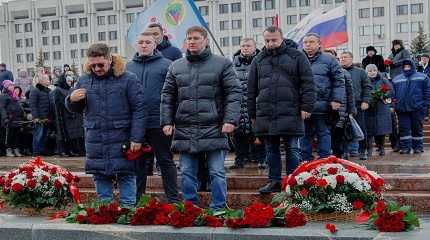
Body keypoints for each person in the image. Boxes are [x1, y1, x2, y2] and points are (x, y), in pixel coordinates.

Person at [161, 26, 241, 210]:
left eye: (196, 38)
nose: (192, 41)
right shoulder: (176, 66)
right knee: (187, 172)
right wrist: (166, 121)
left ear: (205, 40)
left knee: (217, 172)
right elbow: (167, 96)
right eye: (189, 38)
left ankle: (219, 207)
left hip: (214, 126)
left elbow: (234, 93)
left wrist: (230, 120)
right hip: (185, 128)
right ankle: (191, 207)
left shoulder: (222, 63)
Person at [66, 43, 145, 208]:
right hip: (96, 138)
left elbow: (139, 110)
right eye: (92, 65)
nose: (96, 68)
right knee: (99, 174)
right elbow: (77, 108)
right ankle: (105, 211)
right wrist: (71, 100)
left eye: (100, 64)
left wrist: (136, 138)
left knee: (126, 174)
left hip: (122, 136)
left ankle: (128, 210)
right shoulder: (84, 80)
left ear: (110, 59)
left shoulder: (128, 78)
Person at [248, 27, 316, 193]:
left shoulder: (297, 56)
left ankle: (293, 181)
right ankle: (274, 181)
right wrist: (252, 114)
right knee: (271, 150)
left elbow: (308, 82)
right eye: (267, 40)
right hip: (266, 112)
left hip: (291, 110)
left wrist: (307, 106)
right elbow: (251, 89)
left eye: (274, 40)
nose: (270, 43)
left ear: (281, 39)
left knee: (293, 148)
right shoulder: (258, 59)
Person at [126, 32, 179, 203]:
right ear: (136, 45)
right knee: (138, 163)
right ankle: (137, 199)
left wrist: (170, 119)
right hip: (136, 125)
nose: (144, 45)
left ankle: (172, 199)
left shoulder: (168, 65)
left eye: (148, 42)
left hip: (159, 122)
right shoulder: (127, 67)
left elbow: (174, 94)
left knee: (165, 160)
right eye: (140, 42)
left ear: (155, 44)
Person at [300, 33, 345, 161]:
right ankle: (305, 161)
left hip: (322, 105)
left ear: (319, 44)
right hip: (303, 106)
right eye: (306, 42)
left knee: (323, 133)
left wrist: (336, 99)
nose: (308, 45)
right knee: (304, 134)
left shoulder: (329, 59)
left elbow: (339, 80)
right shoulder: (298, 59)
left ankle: (325, 160)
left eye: (311, 42)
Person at [230, 38, 261, 169]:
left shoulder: (261, 61)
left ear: (255, 47)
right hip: (239, 102)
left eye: (248, 45)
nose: (245, 48)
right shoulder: (233, 64)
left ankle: (260, 159)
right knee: (239, 133)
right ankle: (239, 160)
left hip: (256, 102)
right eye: (243, 45)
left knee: (258, 133)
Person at [392, 59, 430, 154]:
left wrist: (425, 106)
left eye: (408, 66)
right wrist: (395, 105)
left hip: (417, 108)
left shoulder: (423, 77)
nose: (407, 68)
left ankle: (418, 147)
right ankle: (405, 148)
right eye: (405, 66)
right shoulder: (396, 79)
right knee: (404, 129)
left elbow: (427, 93)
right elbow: (393, 94)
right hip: (402, 109)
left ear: (412, 66)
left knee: (417, 128)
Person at [323, 49, 356, 160]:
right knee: (326, 135)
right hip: (324, 108)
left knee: (338, 135)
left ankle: (340, 158)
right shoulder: (320, 71)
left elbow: (350, 93)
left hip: (340, 110)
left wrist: (351, 110)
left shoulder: (343, 72)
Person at [340, 52, 372, 160]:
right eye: (341, 57)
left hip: (358, 104)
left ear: (351, 59)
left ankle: (363, 151)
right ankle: (344, 151)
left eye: (345, 57)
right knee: (343, 129)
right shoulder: (338, 72)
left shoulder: (361, 72)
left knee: (361, 127)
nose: (343, 59)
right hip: (343, 106)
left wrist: (366, 101)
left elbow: (367, 87)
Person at [52, 74, 84, 157]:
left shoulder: (71, 89)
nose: (70, 82)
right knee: (64, 134)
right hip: (63, 115)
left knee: (75, 133)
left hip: (73, 115)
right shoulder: (58, 90)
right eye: (68, 81)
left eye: (71, 81)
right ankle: (65, 150)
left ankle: (75, 149)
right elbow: (57, 104)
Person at [365, 64, 393, 156]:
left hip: (381, 107)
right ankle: (369, 149)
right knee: (369, 129)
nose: (372, 72)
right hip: (369, 107)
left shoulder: (383, 80)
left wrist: (383, 94)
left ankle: (381, 147)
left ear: (377, 71)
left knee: (382, 129)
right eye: (369, 71)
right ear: (366, 72)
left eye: (374, 70)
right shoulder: (365, 80)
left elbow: (391, 91)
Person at [0, 80, 26, 157]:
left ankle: (15, 148)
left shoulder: (14, 96)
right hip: (9, 119)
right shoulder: (3, 96)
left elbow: (18, 106)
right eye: (10, 85)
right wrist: (5, 118)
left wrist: (22, 113)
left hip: (17, 118)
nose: (13, 87)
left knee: (16, 135)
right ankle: (8, 149)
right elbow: (2, 108)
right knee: (9, 135)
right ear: (6, 87)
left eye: (13, 85)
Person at [29, 73, 53, 156]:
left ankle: (41, 150)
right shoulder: (35, 90)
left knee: (44, 135)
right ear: (41, 80)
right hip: (39, 118)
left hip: (47, 117)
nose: (49, 81)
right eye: (47, 79)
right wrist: (35, 117)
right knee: (38, 135)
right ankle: (36, 152)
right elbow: (33, 105)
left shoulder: (49, 91)